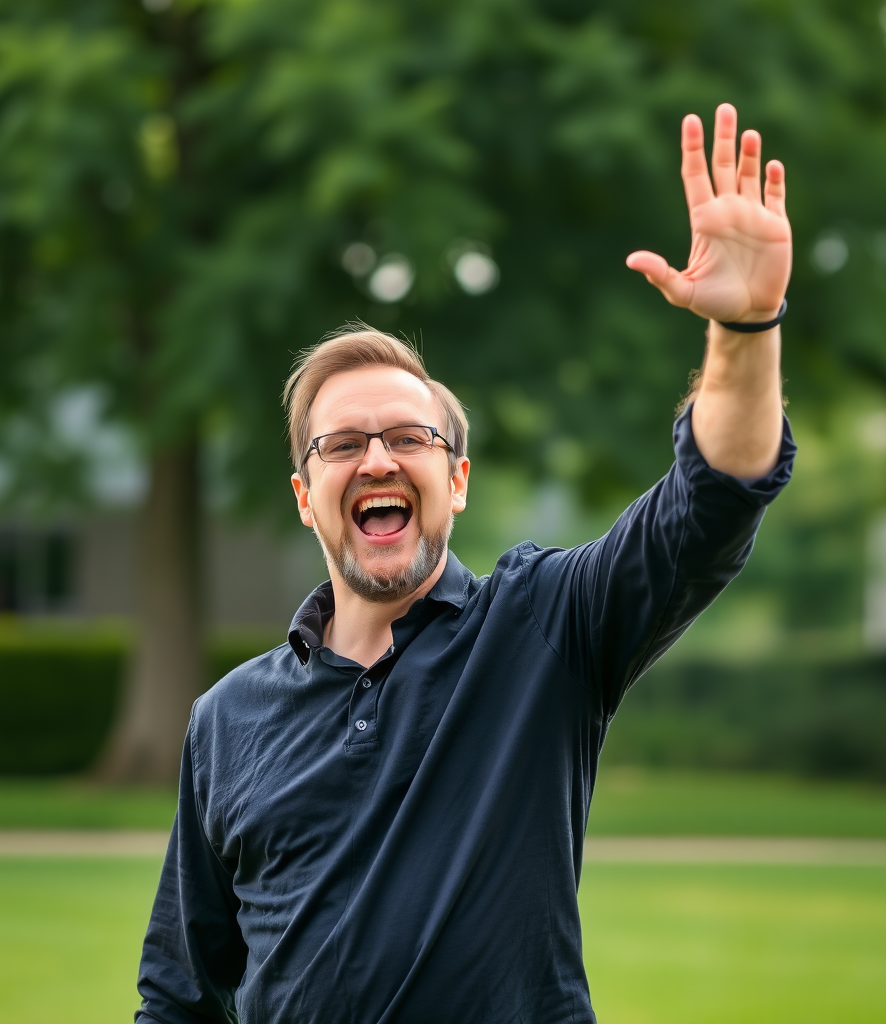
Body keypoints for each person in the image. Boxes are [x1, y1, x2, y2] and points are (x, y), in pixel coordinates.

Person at [135, 103, 795, 1024]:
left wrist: (747, 330)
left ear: (457, 481)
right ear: (303, 494)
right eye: (342, 444)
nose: (376, 460)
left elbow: (710, 504)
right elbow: (180, 994)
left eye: (409, 437)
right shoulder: (227, 720)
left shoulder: (543, 633)